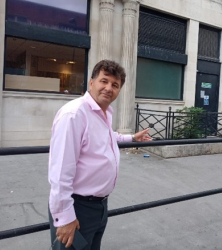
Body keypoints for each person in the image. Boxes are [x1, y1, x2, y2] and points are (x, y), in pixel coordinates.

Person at [48, 60, 152, 250]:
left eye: (115, 85)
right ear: (91, 82)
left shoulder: (103, 113)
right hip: (77, 208)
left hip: (99, 207)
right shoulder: (74, 115)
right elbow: (60, 171)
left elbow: (108, 137)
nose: (108, 88)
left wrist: (132, 138)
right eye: (104, 81)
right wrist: (64, 217)